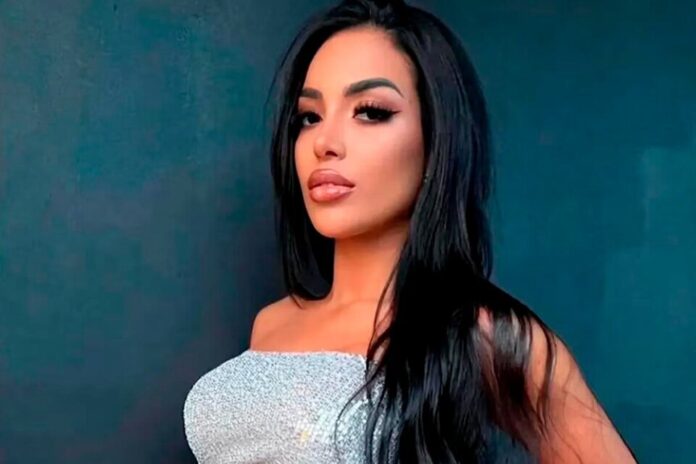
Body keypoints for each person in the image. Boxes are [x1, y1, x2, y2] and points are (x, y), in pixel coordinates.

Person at [183, 0, 638, 462]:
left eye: (370, 111)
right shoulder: (271, 323)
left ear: (436, 142)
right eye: (309, 117)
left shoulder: (478, 332)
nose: (325, 142)